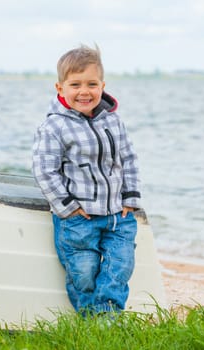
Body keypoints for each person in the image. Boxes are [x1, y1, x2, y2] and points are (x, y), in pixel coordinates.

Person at [32, 44, 141, 315]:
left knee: (121, 266)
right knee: (82, 272)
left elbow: (128, 159)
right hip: (79, 219)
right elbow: (45, 171)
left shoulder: (113, 122)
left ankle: (108, 316)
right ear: (60, 88)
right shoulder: (54, 126)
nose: (84, 91)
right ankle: (91, 318)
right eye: (75, 84)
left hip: (118, 216)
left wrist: (130, 197)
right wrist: (68, 208)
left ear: (102, 85)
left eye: (92, 84)